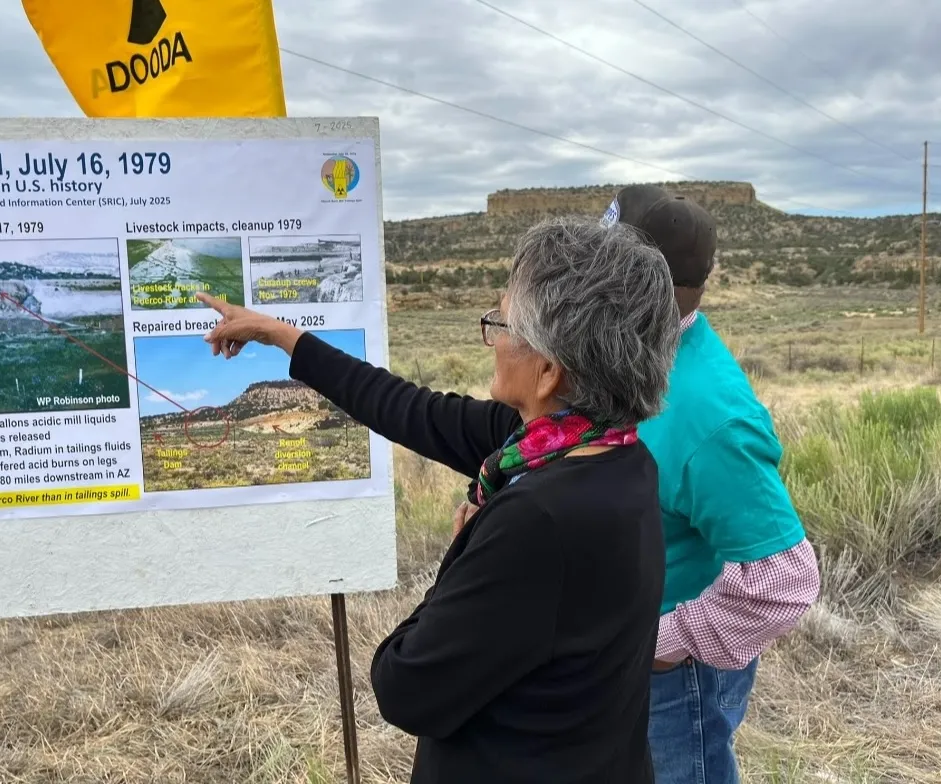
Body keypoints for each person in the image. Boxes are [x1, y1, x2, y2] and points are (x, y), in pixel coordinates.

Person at [197, 215, 681, 783]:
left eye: (502, 322)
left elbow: (404, 687)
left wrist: (464, 546)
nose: (494, 338)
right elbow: (408, 408)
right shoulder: (607, 453)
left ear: (549, 370)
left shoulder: (537, 520)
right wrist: (284, 337)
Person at [601, 184, 821, 783]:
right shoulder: (636, 356)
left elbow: (785, 581)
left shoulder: (708, 415)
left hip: (671, 683)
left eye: (603, 265)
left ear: (642, 284)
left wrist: (660, 644)